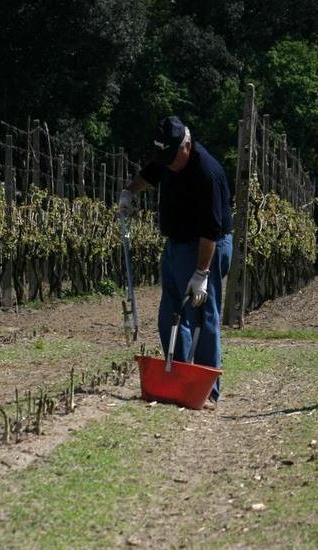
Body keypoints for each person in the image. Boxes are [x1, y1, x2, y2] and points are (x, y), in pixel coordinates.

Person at [120, 116, 233, 409]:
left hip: (206, 246)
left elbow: (211, 231)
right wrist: (128, 193)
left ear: (187, 144)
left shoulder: (207, 173)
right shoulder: (169, 156)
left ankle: (208, 391)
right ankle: (182, 378)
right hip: (176, 245)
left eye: (172, 158)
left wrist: (201, 274)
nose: (168, 164)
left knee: (202, 317)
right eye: (164, 158)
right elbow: (150, 174)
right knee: (170, 313)